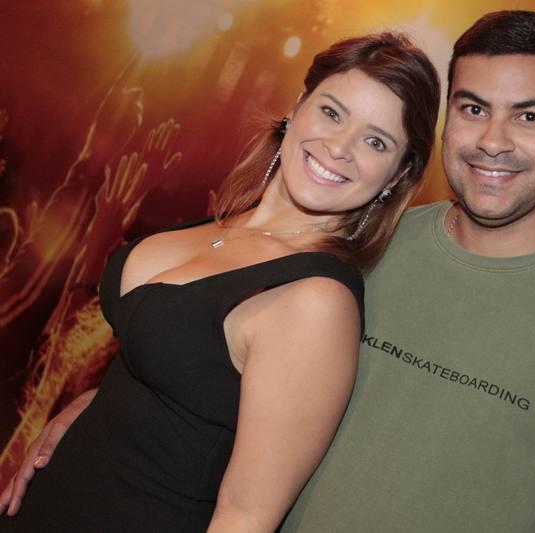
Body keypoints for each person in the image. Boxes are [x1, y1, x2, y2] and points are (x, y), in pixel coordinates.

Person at [3, 11, 535, 532]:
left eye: (530, 116)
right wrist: (103, 404)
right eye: (473, 108)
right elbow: (218, 369)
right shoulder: (362, 244)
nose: (493, 140)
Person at [0, 32, 440, 532]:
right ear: (297, 107)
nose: (339, 147)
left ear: (397, 175)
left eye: (376, 141)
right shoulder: (229, 223)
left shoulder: (315, 301)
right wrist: (92, 402)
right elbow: (181, 377)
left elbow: (245, 517)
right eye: (332, 113)